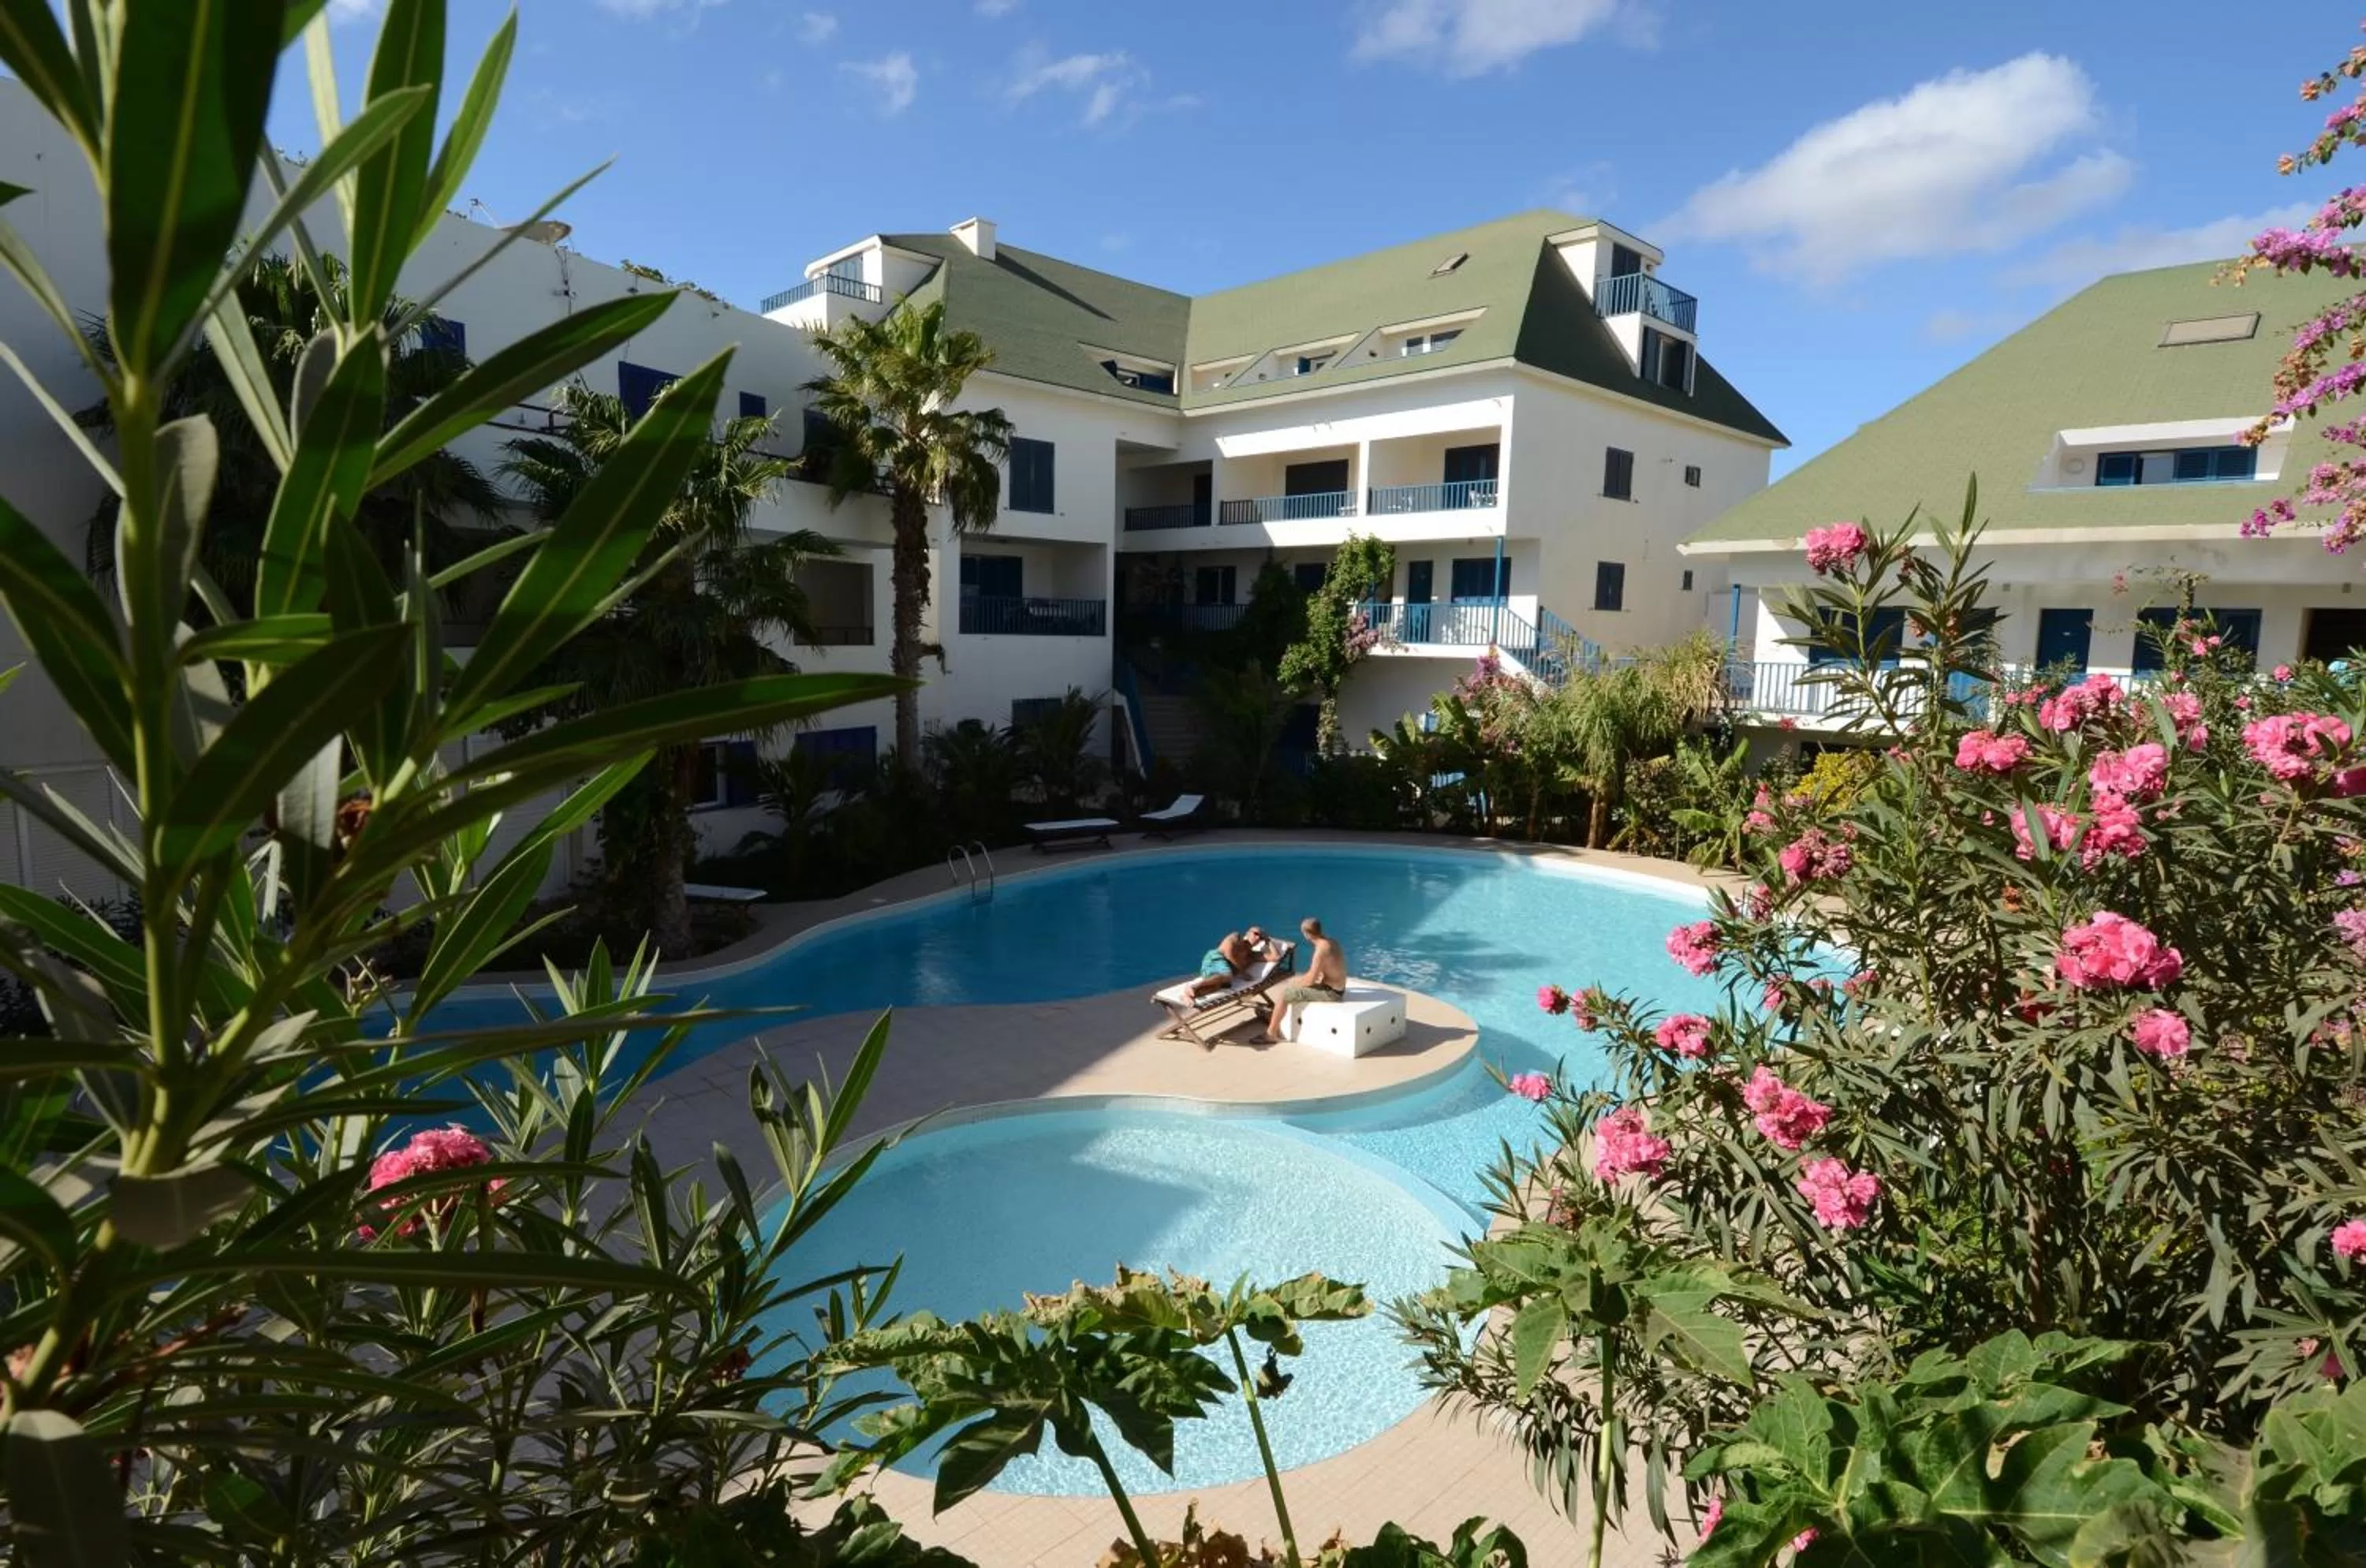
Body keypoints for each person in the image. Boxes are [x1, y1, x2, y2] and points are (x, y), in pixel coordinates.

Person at [1263, 917, 1345, 1042]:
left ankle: (1271, 1033)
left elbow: (1310, 981)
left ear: (1307, 934)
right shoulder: (1332, 942)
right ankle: (1276, 1015)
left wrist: (1294, 985)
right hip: (1338, 988)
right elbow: (1320, 970)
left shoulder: (1320, 951)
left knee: (1284, 994)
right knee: (1293, 987)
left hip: (1331, 993)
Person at [1188, 926, 1272, 997]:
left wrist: (1268, 940)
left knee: (1216, 987)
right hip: (1215, 959)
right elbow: (1229, 954)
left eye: (1261, 938)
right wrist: (1243, 972)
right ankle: (1194, 986)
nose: (1258, 938)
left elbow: (1276, 957)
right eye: (1256, 934)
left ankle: (1189, 994)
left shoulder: (1251, 955)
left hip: (1217, 974)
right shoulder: (1236, 937)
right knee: (1227, 975)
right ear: (1247, 933)